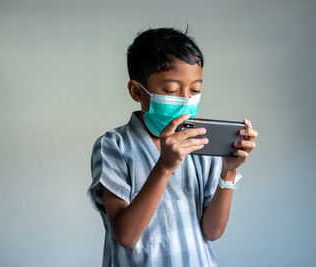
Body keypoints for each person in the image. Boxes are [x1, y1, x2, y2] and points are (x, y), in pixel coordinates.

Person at [87, 27, 259, 267]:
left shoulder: (201, 142)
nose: (186, 99)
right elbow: (126, 236)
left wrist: (228, 172)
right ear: (137, 91)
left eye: (195, 90)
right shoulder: (113, 146)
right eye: (171, 90)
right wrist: (165, 166)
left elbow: (212, 231)